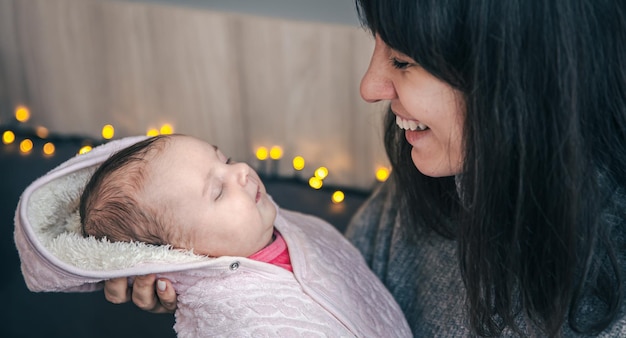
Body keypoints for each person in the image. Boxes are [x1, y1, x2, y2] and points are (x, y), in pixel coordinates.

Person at [103, 0, 626, 336]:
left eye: (403, 61)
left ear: (517, 82)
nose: (369, 86)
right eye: (376, 44)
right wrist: (220, 291)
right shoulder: (425, 188)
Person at [74, 133, 410, 337]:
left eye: (226, 159)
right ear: (177, 254)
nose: (241, 171)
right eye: (218, 191)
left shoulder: (287, 229)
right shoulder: (235, 322)